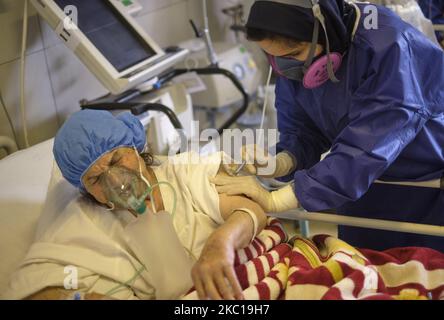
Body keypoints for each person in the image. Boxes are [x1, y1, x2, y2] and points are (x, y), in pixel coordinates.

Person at [212, 0, 444, 252]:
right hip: (362, 188)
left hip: (427, 185)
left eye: (293, 55)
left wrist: (277, 199)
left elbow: (367, 148)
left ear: (328, 31)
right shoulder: (294, 65)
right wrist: (281, 161)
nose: (286, 66)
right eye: (273, 57)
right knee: (361, 270)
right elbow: (303, 130)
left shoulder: (389, 47)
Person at [7, 110, 267, 300]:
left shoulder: (182, 175)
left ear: (134, 147)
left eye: (116, 160)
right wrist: (80, 297)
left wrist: (219, 244)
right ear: (84, 188)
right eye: (96, 178)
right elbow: (31, 286)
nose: (115, 180)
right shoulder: (82, 222)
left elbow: (249, 211)